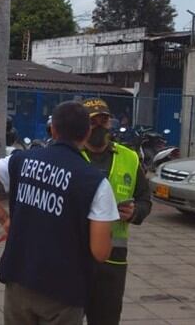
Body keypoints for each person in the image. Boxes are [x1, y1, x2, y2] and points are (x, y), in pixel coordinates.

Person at [0, 101, 120, 325]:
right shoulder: (95, 182)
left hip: (19, 279)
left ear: (53, 130)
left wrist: (6, 220)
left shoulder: (22, 160)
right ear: (86, 133)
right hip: (64, 291)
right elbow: (100, 252)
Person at [80, 99, 150, 325]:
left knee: (106, 319)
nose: (99, 125)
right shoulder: (71, 156)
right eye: (93, 121)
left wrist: (135, 212)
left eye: (104, 119)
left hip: (113, 259)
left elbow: (144, 199)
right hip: (74, 254)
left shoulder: (129, 157)